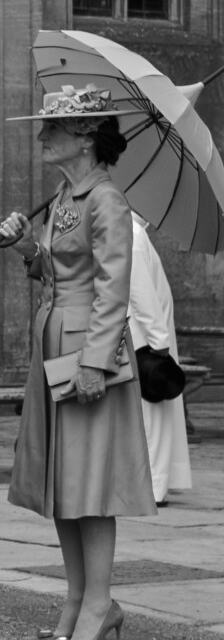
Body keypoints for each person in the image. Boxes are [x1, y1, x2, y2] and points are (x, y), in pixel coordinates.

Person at [0, 82, 154, 640]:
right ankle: (76, 598)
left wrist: (94, 363)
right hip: (53, 347)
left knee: (89, 484)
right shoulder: (67, 198)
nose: (43, 136)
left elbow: (114, 290)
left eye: (54, 129)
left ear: (86, 138)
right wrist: (24, 249)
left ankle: (100, 602)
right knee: (62, 483)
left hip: (88, 349)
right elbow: (55, 271)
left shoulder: (107, 201)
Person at [128, 211, 193, 506]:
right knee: (152, 416)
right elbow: (141, 294)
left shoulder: (131, 231)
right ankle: (153, 487)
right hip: (146, 346)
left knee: (151, 416)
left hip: (141, 341)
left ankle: (151, 483)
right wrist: (160, 343)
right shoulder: (133, 233)